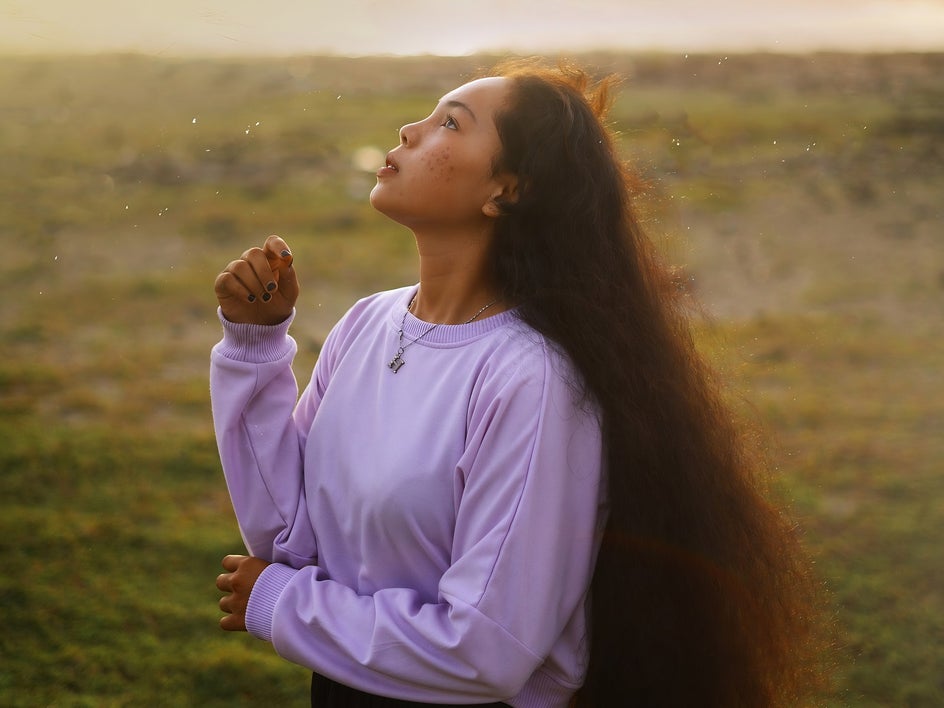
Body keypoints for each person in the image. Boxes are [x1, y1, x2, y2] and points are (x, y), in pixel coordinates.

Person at [212, 60, 825, 707]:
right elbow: (289, 539)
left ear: (506, 190)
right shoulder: (368, 323)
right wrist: (256, 344)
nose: (408, 130)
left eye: (449, 122)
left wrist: (286, 604)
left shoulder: (532, 379)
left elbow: (485, 650)